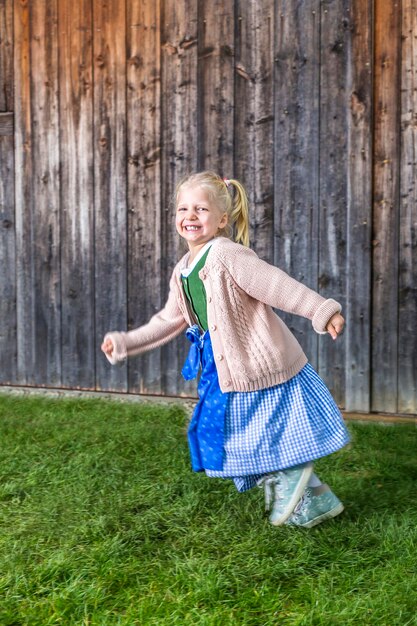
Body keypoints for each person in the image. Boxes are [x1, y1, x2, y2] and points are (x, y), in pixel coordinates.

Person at [101, 171, 350, 529]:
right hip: (223, 369)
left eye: (200, 209)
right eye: (183, 208)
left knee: (250, 432)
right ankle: (316, 499)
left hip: (256, 362)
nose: (190, 216)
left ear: (221, 220)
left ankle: (292, 471)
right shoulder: (183, 270)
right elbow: (168, 320)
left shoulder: (227, 255)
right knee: (228, 432)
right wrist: (125, 342)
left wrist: (320, 310)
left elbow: (276, 285)